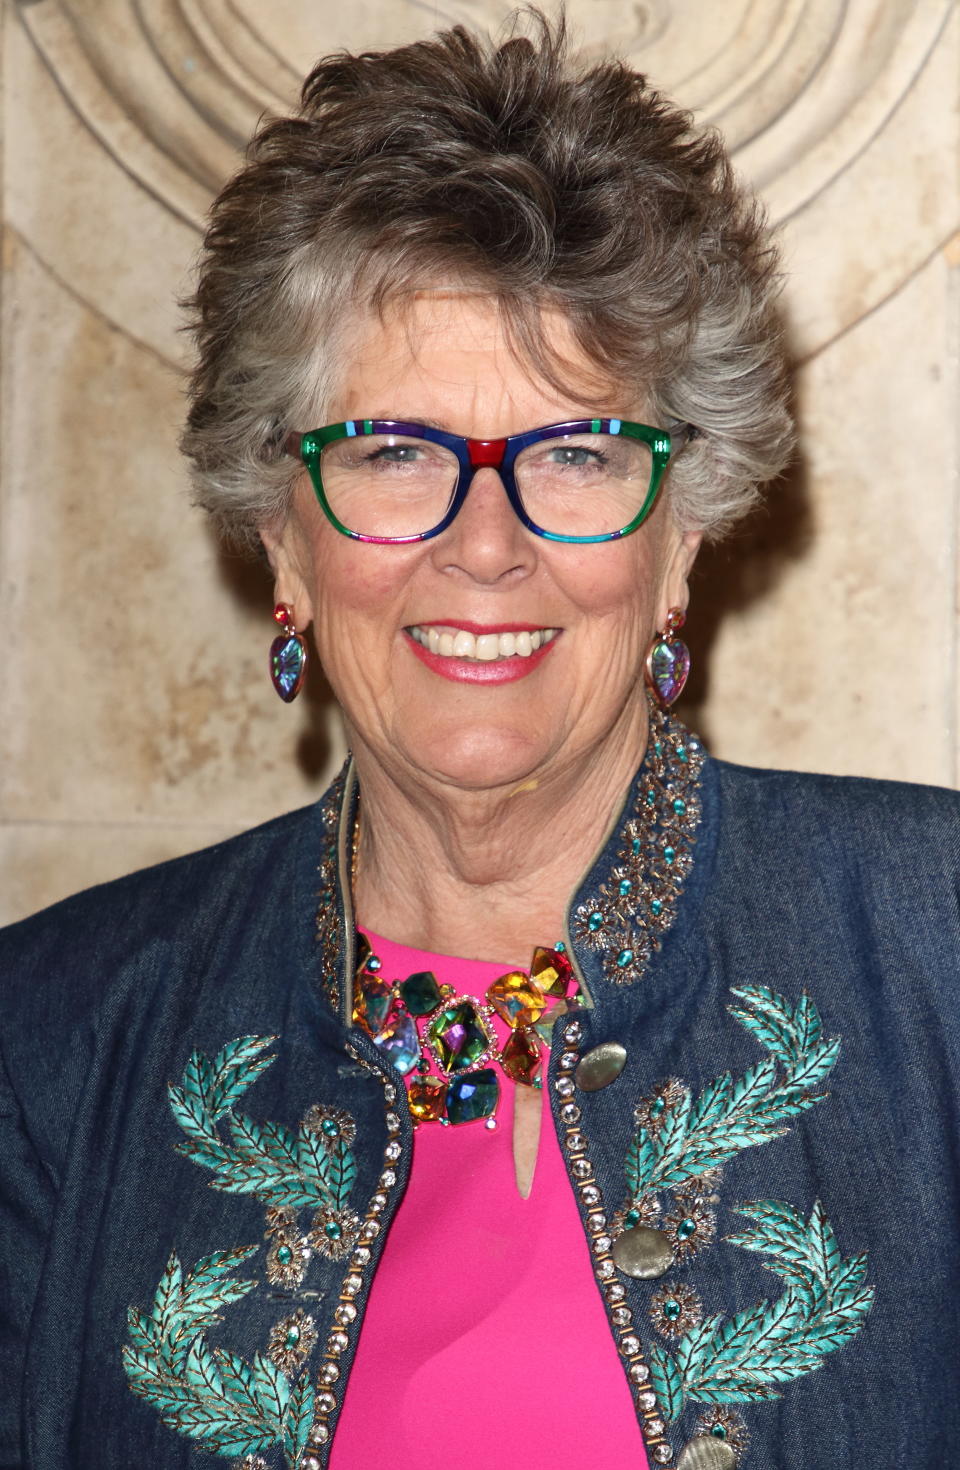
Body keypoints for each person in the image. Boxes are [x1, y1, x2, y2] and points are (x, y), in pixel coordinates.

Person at [1, 14, 958, 1470]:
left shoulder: (935, 944)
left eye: (576, 451)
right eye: (395, 452)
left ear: (683, 530)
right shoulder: (54, 1038)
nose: (485, 546)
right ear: (282, 530)